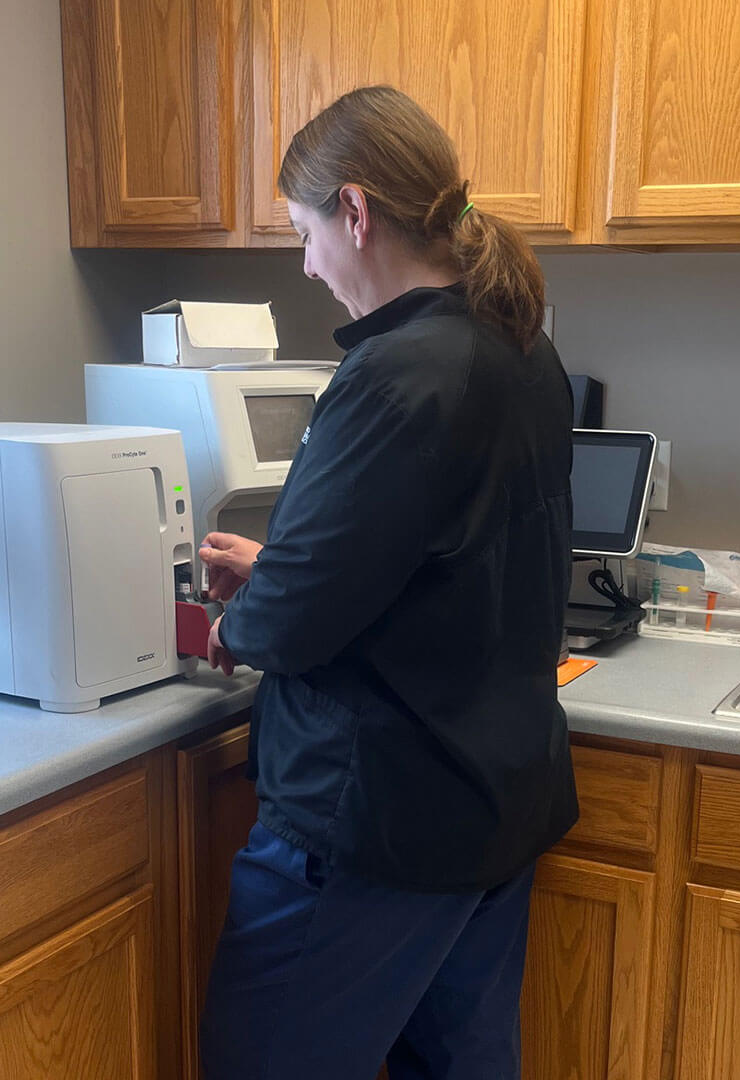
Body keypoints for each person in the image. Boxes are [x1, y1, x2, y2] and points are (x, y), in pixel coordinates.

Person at [196, 85, 578, 1080]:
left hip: (373, 830)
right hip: (491, 808)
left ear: (356, 212)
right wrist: (288, 571)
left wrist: (246, 611)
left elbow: (288, 628)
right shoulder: (524, 346)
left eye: (304, 231)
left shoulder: (395, 373)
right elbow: (443, 563)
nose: (309, 262)